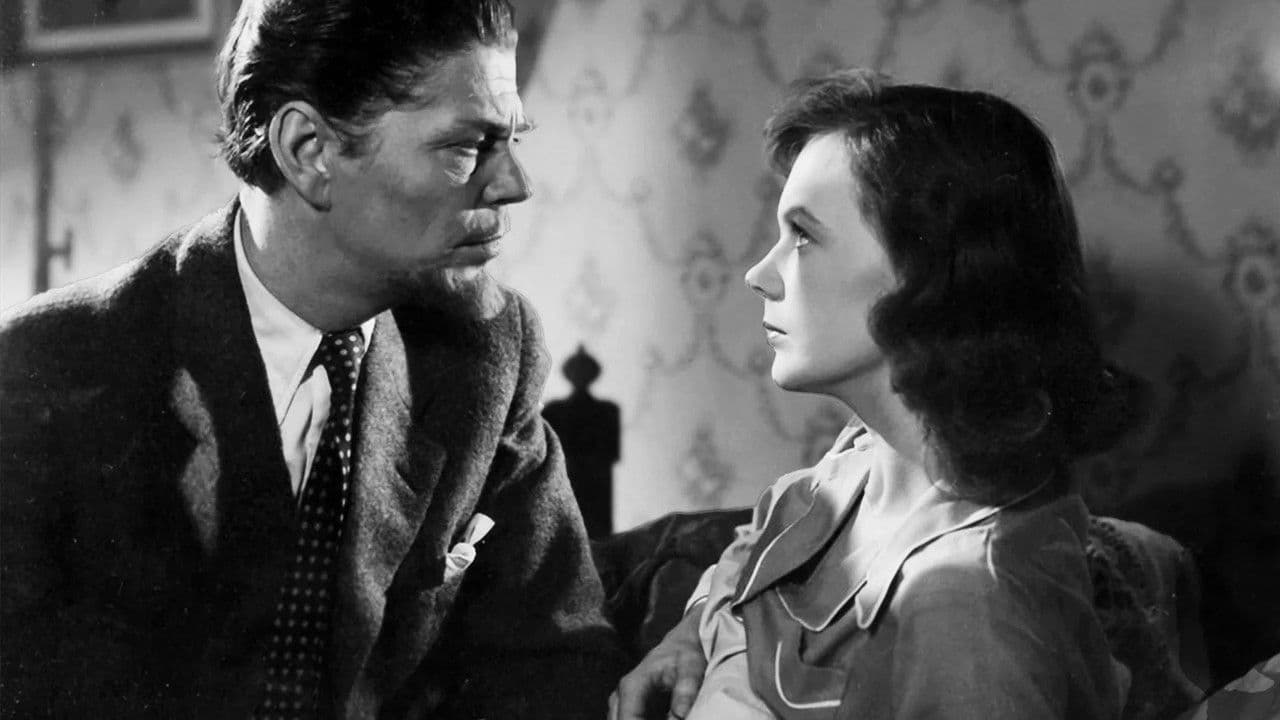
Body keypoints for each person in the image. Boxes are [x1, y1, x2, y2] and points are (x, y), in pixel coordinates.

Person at [0, 1, 626, 717]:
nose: (514, 183)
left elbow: (555, 662)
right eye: (466, 146)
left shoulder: (486, 352)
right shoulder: (49, 369)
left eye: (512, 140)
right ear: (307, 151)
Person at [612, 69, 1142, 719]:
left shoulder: (966, 617)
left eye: (803, 235)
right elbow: (757, 546)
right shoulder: (866, 460)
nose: (758, 274)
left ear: (927, 270)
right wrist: (689, 635)